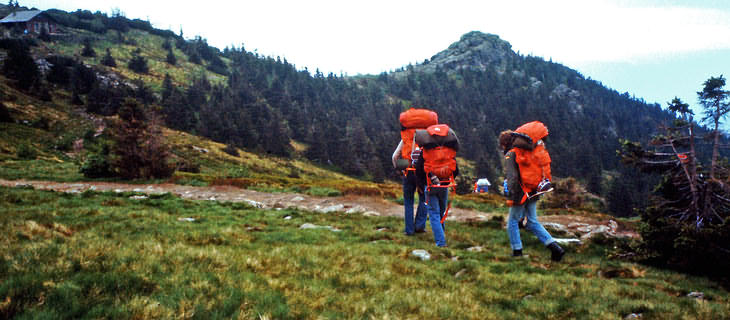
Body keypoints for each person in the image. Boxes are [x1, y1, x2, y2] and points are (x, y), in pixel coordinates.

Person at [500, 122, 565, 261]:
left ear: (506, 144)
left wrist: (510, 193)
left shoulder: (512, 154)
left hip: (521, 192)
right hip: (535, 190)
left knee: (512, 221)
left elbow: (512, 177)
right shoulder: (532, 150)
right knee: (532, 222)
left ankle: (517, 251)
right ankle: (556, 248)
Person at [415, 124, 459, 247]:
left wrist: (420, 185)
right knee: (441, 212)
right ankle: (442, 235)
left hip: (430, 186)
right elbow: (456, 170)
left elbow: (419, 170)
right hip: (444, 185)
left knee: (434, 214)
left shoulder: (426, 152)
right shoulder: (448, 151)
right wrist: (447, 178)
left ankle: (440, 242)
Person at [392, 139, 427, 236]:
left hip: (408, 169)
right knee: (424, 199)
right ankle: (420, 226)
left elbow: (394, 156)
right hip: (423, 171)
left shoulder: (406, 137)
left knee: (408, 201)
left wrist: (400, 169)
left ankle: (409, 230)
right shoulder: (427, 136)